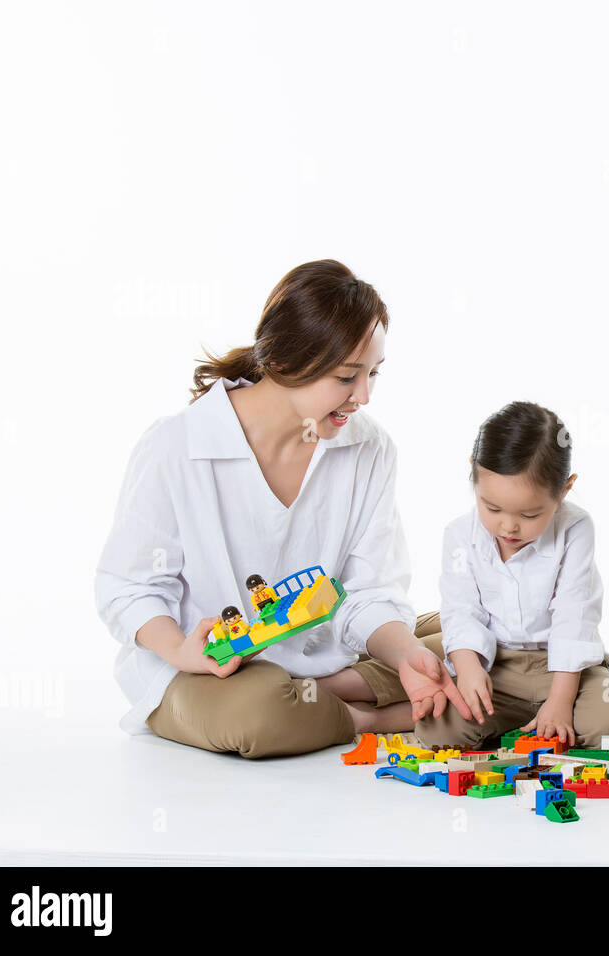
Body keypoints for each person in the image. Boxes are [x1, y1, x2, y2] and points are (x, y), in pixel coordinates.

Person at [94, 259, 470, 758]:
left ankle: (325, 693)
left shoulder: (369, 449)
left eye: (374, 374)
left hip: (320, 655)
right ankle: (369, 713)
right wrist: (180, 651)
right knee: (258, 714)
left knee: (489, 642)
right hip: (204, 674)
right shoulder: (176, 446)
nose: (364, 396)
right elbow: (129, 588)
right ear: (287, 363)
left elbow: (370, 590)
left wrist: (405, 656)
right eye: (346, 377)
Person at [415, 401, 609, 750]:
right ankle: (522, 722)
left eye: (530, 514)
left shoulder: (576, 527)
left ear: (564, 491)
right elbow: (461, 610)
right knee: (438, 732)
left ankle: (542, 718)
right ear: (473, 476)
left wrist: (560, 702)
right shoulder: (459, 534)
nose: (508, 526)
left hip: (568, 671)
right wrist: (469, 668)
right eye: (492, 508)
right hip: (497, 665)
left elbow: (574, 616)